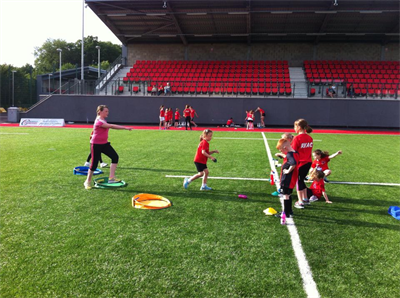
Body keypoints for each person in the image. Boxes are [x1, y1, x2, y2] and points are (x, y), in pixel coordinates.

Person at [83, 105, 132, 189]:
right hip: (96, 144)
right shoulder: (99, 121)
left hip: (104, 144)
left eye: (107, 111)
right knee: (94, 164)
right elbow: (112, 126)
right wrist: (125, 128)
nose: (107, 113)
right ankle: (87, 181)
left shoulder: (102, 119)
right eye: (105, 111)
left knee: (115, 157)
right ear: (100, 112)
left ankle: (111, 178)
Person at [291, 119, 313, 209]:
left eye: (295, 126)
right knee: (301, 180)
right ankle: (305, 198)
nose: (294, 128)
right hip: (308, 162)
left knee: (299, 181)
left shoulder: (297, 138)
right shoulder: (310, 138)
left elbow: (293, 151)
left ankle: (300, 201)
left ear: (299, 127)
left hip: (301, 163)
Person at [276, 138, 299, 223]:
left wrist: (287, 171)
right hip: (292, 179)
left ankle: (285, 213)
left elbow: (293, 163)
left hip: (287, 179)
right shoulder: (295, 153)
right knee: (288, 194)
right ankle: (289, 211)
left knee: (285, 195)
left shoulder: (290, 154)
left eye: (281, 149)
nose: (282, 151)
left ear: (285, 147)